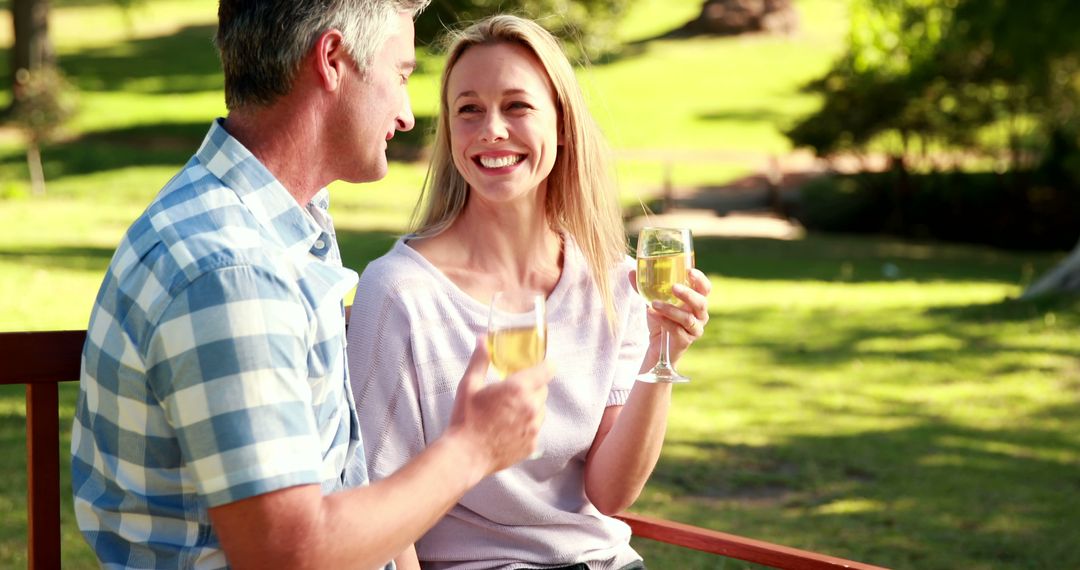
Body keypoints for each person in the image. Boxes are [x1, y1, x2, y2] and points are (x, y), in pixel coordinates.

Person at [71, 2, 552, 568]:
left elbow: (335, 487)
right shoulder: (231, 272)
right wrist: (472, 448)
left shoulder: (281, 223)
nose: (405, 116)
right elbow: (287, 553)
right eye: (400, 76)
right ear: (332, 60)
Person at [346, 15, 712, 570]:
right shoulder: (401, 292)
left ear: (562, 125)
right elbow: (382, 512)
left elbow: (610, 495)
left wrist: (664, 355)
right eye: (469, 109)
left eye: (516, 106)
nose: (491, 129)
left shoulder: (615, 282)